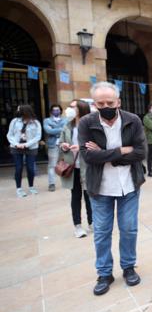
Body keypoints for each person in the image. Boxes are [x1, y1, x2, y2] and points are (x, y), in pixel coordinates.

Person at [79, 81, 146, 296]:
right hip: (100, 187)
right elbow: (88, 156)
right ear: (94, 104)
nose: (106, 106)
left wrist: (105, 153)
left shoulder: (132, 120)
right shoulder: (86, 123)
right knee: (101, 232)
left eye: (110, 102)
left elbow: (140, 152)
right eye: (101, 103)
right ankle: (104, 273)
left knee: (128, 229)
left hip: (129, 185)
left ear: (118, 101)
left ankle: (128, 267)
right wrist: (121, 151)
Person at [59, 99, 93, 238]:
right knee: (75, 196)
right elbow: (60, 142)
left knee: (90, 196)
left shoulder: (90, 125)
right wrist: (63, 145)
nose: (69, 109)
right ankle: (78, 225)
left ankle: (92, 222)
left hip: (87, 166)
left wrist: (81, 147)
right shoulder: (67, 125)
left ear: (81, 109)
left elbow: (98, 144)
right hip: (72, 166)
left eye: (73, 107)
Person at [7, 104, 42, 197]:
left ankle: (31, 186)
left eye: (19, 109)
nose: (17, 111)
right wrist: (16, 144)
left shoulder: (36, 123)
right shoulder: (14, 121)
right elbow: (9, 135)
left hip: (31, 148)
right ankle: (19, 189)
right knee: (18, 168)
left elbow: (38, 136)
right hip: (16, 148)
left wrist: (26, 144)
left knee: (30, 168)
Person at [43, 104, 67, 191]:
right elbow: (48, 130)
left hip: (64, 144)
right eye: (54, 110)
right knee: (52, 165)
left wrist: (54, 129)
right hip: (53, 145)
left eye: (57, 110)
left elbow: (67, 129)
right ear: (51, 111)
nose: (56, 111)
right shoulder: (47, 120)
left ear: (60, 111)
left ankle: (67, 181)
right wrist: (61, 129)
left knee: (67, 163)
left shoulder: (65, 120)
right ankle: (51, 183)